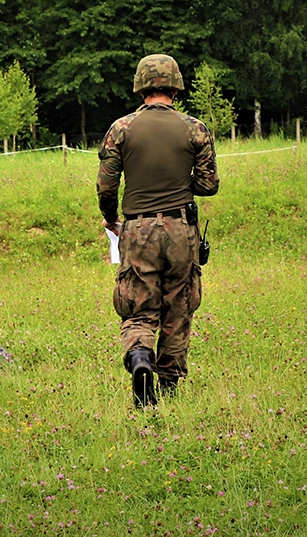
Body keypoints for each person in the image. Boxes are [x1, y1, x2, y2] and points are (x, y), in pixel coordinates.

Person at [96, 53, 220, 407]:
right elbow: (209, 184)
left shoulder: (121, 129)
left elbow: (106, 186)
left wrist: (110, 218)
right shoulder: (194, 128)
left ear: (140, 87)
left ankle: (139, 359)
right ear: (176, 86)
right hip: (182, 228)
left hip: (137, 227)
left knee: (138, 305)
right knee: (179, 304)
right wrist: (181, 181)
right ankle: (167, 385)